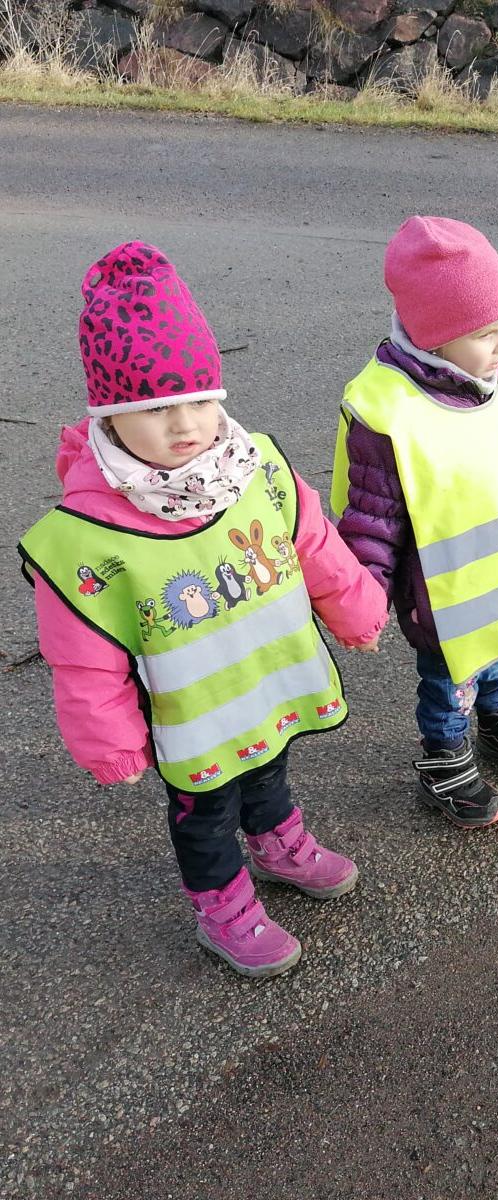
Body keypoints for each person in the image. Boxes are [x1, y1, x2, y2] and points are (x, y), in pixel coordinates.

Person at [19, 242, 386, 979]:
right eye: (154, 408)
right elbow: (82, 653)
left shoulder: (256, 469)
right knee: (207, 810)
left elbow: (312, 542)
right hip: (191, 714)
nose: (183, 423)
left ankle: (278, 842)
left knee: (270, 769)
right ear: (110, 416)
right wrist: (111, 742)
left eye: (198, 399)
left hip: (265, 684)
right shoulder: (87, 536)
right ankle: (223, 906)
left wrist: (356, 610)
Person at [333, 216, 498, 831]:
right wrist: (363, 597)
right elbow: (372, 514)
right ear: (435, 336)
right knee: (449, 680)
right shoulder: (387, 409)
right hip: (440, 589)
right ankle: (444, 758)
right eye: (485, 333)